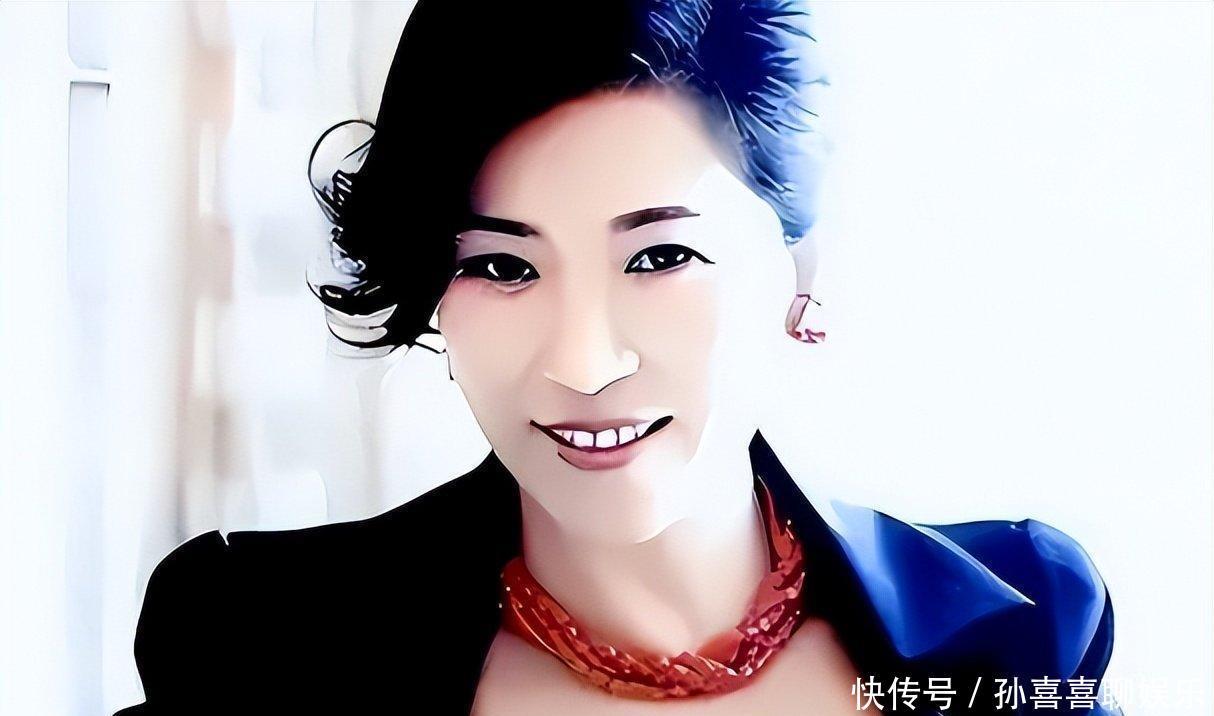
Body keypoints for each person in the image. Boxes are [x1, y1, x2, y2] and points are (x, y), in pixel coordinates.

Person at [117, 2, 1119, 714]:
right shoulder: (257, 648)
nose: (584, 363)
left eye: (660, 256)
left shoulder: (1019, 630)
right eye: (504, 266)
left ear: (796, 266)